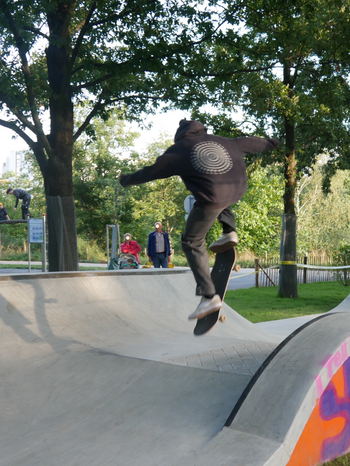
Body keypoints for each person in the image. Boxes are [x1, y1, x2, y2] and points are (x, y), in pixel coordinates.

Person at [120, 119, 280, 320]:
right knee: (220, 191)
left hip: (212, 197)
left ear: (180, 136)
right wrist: (273, 142)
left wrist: (126, 179)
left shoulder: (177, 151)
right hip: (237, 188)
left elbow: (150, 172)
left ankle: (208, 296)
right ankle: (229, 231)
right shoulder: (224, 141)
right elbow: (250, 142)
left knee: (191, 241)